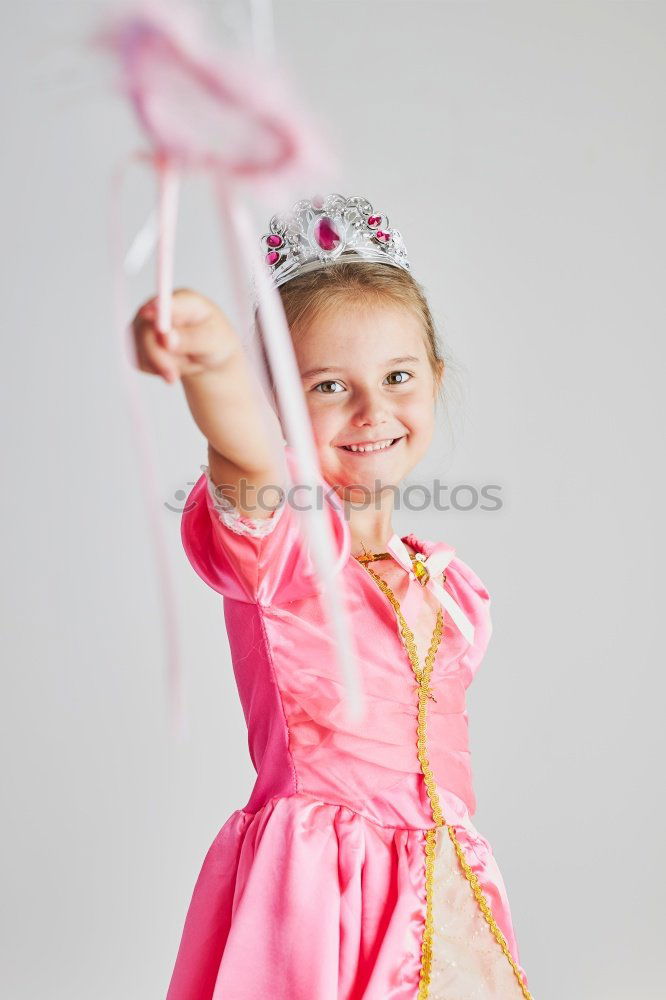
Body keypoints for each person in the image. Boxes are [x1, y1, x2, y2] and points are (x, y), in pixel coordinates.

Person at [132, 194, 533, 1000]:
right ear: (276, 402)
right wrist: (212, 362)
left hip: (443, 903)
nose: (373, 410)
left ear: (435, 379)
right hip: (322, 899)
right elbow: (245, 460)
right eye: (326, 387)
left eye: (397, 376)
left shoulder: (449, 590)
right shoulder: (285, 550)